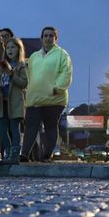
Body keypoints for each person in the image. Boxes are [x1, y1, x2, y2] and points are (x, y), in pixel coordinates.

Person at [21, 26, 73, 161]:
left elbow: (66, 73)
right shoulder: (34, 57)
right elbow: (29, 75)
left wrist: (57, 88)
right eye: (46, 35)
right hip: (35, 98)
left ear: (56, 38)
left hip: (54, 98)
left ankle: (47, 154)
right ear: (41, 38)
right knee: (30, 126)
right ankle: (25, 154)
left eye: (51, 36)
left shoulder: (62, 54)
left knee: (50, 126)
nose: (48, 38)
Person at [0, 38, 27, 164]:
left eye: (13, 47)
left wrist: (12, 75)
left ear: (19, 50)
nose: (10, 50)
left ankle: (15, 155)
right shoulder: (1, 66)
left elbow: (24, 83)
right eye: (8, 47)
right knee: (2, 128)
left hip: (14, 102)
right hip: (1, 102)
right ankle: (7, 153)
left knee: (14, 128)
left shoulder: (21, 66)